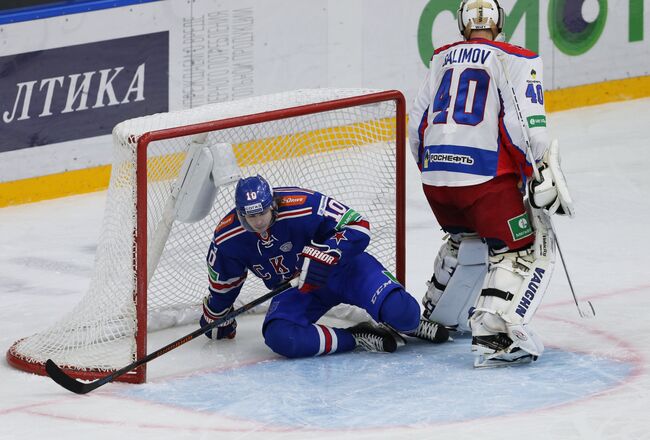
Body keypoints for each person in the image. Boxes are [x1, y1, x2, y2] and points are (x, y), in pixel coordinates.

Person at [408, 0, 573, 367]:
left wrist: (432, 169)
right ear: (499, 23)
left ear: (462, 25)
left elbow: (416, 124)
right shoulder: (515, 58)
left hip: (436, 179)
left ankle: (435, 316)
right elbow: (522, 126)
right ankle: (494, 335)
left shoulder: (441, 57)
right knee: (519, 248)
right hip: (484, 181)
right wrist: (534, 173)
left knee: (465, 238)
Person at [200, 175, 449, 358]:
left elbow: (358, 225)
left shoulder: (302, 204)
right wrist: (216, 317)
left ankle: (409, 325)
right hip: (296, 289)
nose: (258, 222)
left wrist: (326, 252)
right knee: (281, 337)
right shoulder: (228, 237)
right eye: (250, 217)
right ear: (240, 215)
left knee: (404, 312)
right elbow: (224, 283)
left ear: (272, 205)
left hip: (343, 271)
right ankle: (356, 336)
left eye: (262, 214)